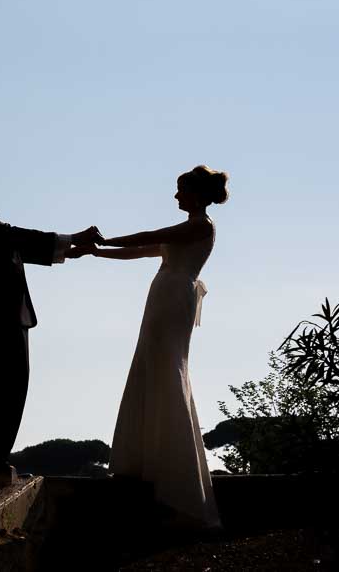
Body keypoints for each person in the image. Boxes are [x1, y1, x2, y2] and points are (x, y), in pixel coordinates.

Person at [68, 165, 228, 528]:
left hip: (174, 297)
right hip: (164, 295)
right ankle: (149, 462)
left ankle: (175, 478)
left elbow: (149, 234)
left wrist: (107, 240)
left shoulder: (201, 225)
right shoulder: (189, 228)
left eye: (180, 190)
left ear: (197, 194)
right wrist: (98, 252)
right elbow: (143, 249)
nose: (175, 196)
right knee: (152, 367)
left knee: (168, 370)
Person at [0, 150, 101, 472]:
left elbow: (6, 248)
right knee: (9, 386)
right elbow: (11, 238)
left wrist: (68, 251)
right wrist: (71, 239)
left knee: (8, 386)